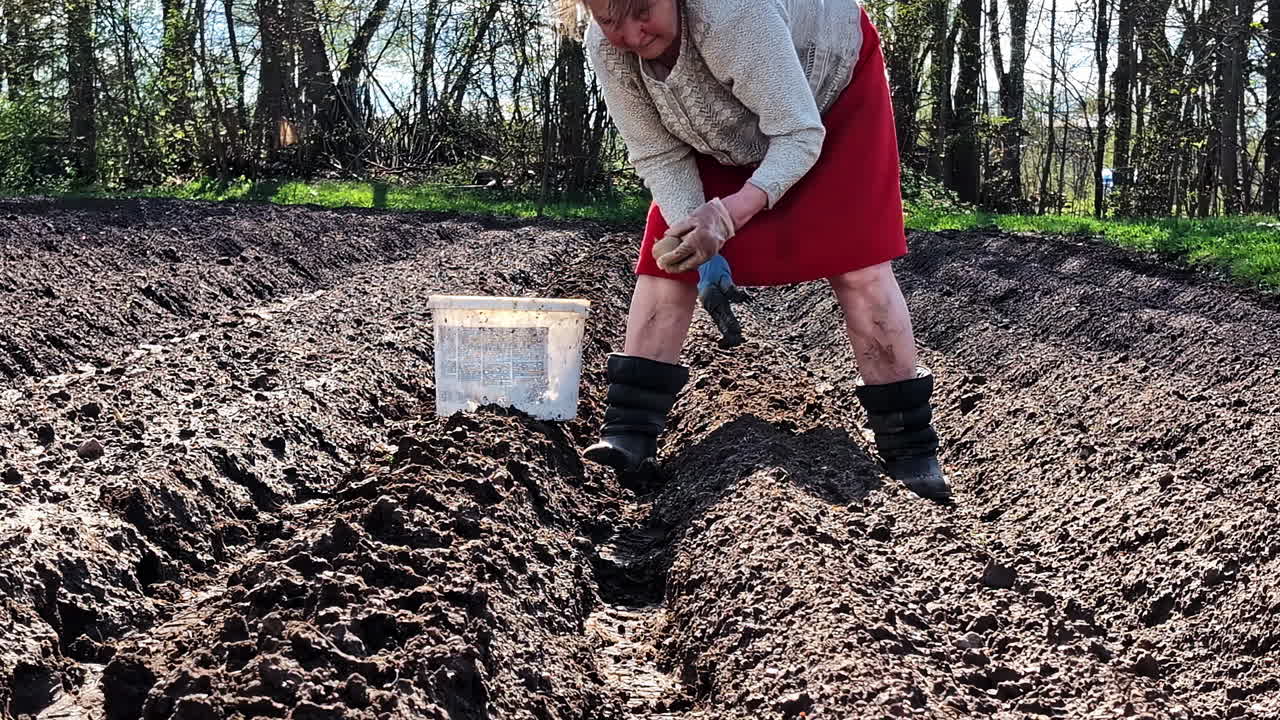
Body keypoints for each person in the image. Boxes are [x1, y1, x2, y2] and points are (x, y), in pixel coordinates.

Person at [560, 0, 951, 501]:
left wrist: (724, 217)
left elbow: (798, 133)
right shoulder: (607, 48)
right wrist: (698, 238)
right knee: (667, 266)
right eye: (609, 20)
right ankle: (628, 434)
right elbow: (658, 153)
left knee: (858, 267)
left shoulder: (736, 14)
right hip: (715, 125)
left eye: (641, 11)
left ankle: (911, 448)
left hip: (825, 100)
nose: (631, 34)